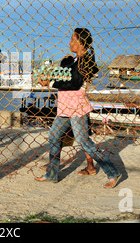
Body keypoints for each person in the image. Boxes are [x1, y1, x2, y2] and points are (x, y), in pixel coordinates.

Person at [35, 28, 121, 188]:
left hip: (76, 108)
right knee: (54, 136)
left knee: (84, 142)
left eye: (72, 40)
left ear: (80, 43)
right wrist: (51, 77)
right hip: (65, 108)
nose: (69, 43)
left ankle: (113, 172)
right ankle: (52, 173)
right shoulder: (75, 60)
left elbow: (74, 83)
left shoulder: (85, 62)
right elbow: (65, 74)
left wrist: (51, 83)